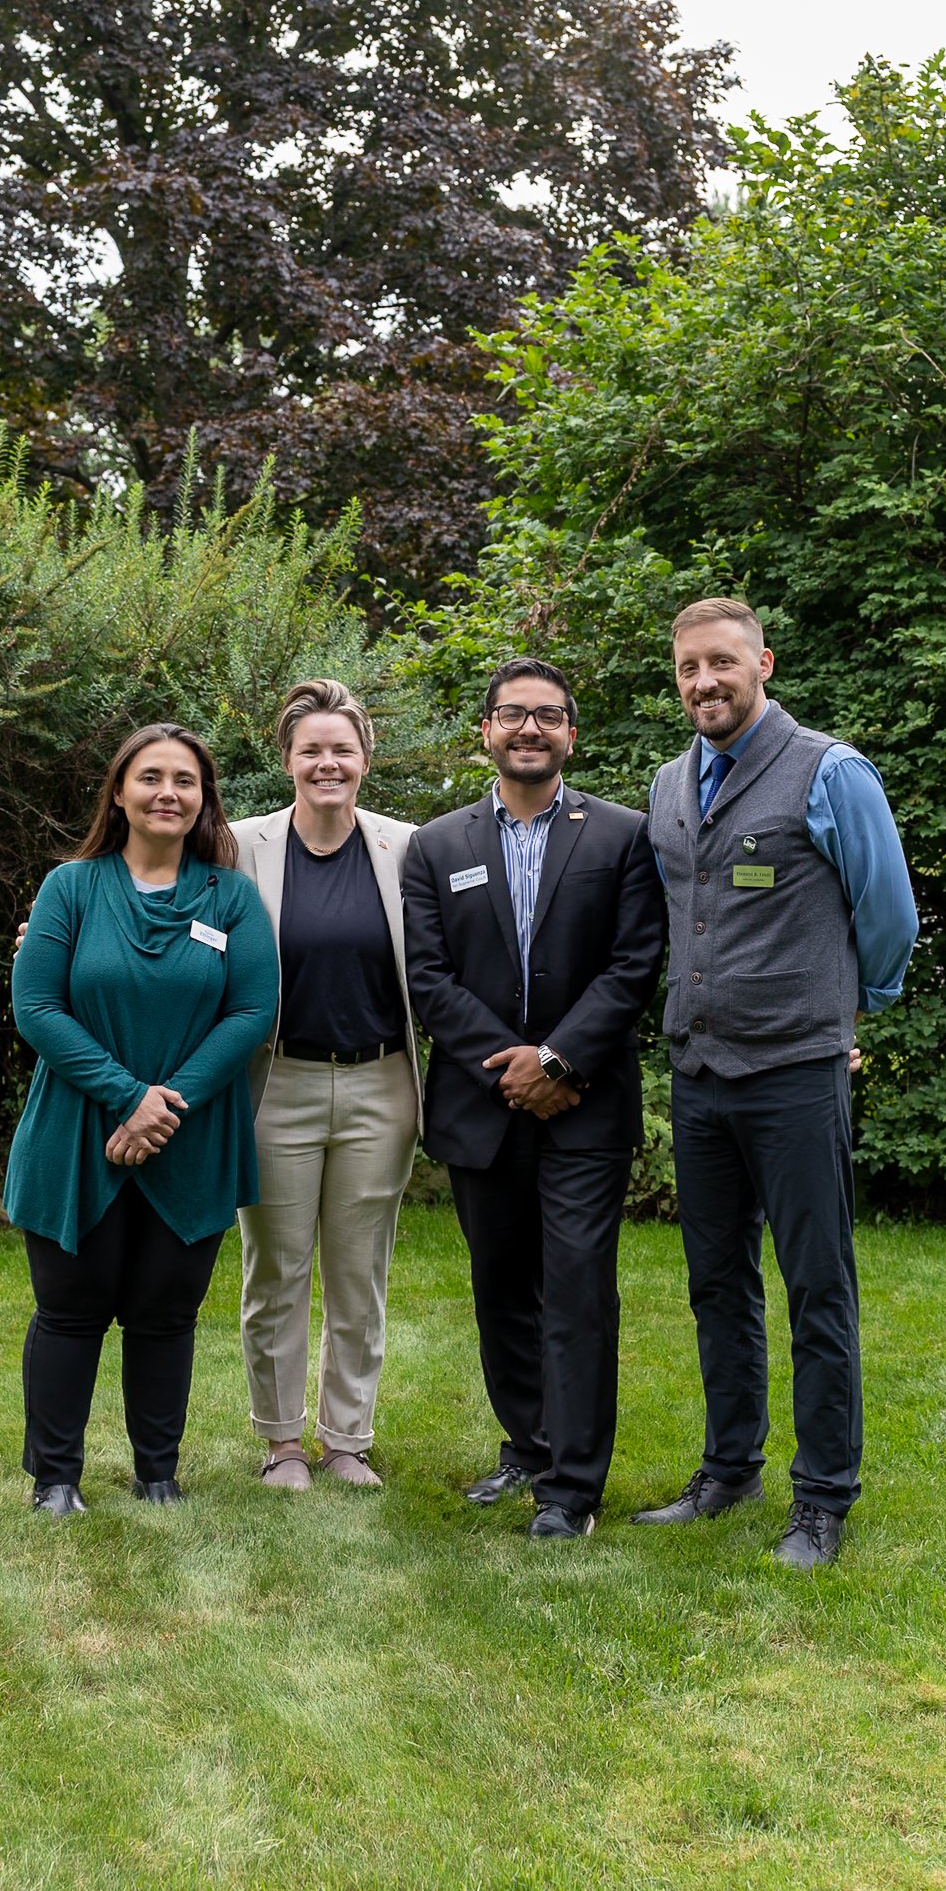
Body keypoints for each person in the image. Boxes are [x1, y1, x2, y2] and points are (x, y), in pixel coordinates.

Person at [635, 597, 919, 1569]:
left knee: (816, 1288)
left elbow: (887, 915)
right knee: (715, 1283)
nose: (703, 681)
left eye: (720, 662)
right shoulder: (669, 783)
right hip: (701, 1070)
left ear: (762, 659)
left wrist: (848, 1011)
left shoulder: (831, 772)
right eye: (687, 669)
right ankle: (728, 1469)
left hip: (796, 1072)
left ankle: (823, 1497)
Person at [402, 657, 666, 1539]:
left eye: (547, 716)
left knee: (580, 1287)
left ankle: (572, 1490)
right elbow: (428, 978)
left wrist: (557, 1060)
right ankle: (528, 1444)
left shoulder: (622, 835)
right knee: (501, 1286)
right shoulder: (436, 846)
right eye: (512, 715)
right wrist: (511, 1065)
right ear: (485, 731)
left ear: (570, 736)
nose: (529, 729)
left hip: (585, 1103)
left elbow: (634, 966)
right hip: (482, 1105)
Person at [4, 723, 278, 1517]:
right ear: (119, 793)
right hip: (76, 1134)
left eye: (185, 781)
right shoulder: (71, 888)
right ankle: (55, 1480)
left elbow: (252, 1009)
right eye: (151, 777)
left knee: (165, 1314)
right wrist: (129, 1096)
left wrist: (167, 1105)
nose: (169, 793)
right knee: (69, 1309)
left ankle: (158, 1473)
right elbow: (37, 1004)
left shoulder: (231, 896)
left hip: (191, 1139)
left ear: (204, 799)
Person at [231, 680, 422, 1491]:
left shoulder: (409, 848)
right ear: (287, 761)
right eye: (311, 750)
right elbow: (148, 885)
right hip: (278, 1084)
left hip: (382, 1085)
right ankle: (280, 1442)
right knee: (275, 1268)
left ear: (366, 760)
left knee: (358, 1270)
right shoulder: (240, 847)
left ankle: (346, 1440)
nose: (327, 763)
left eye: (342, 749)